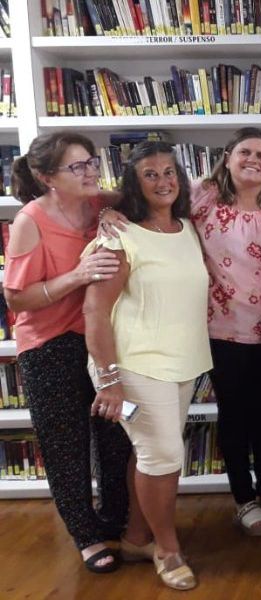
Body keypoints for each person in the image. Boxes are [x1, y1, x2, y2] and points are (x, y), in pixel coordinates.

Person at [84, 141, 212, 589]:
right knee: (164, 456)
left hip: (182, 364)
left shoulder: (187, 228)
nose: (163, 181)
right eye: (150, 174)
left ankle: (137, 536)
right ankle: (167, 549)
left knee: (153, 453)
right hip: (134, 369)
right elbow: (95, 311)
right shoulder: (118, 235)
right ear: (134, 185)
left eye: (168, 171)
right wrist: (109, 381)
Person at [4, 133, 131, 573]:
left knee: (115, 438)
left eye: (92, 162)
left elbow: (141, 195)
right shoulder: (30, 220)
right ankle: (87, 535)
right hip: (48, 345)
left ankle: (115, 520)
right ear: (46, 177)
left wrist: (118, 208)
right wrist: (77, 276)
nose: (91, 171)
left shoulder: (100, 202)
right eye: (77, 167)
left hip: (102, 337)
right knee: (66, 445)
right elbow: (17, 299)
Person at [191, 128, 261, 535]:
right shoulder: (201, 196)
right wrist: (108, 211)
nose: (253, 160)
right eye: (245, 152)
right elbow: (146, 197)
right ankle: (243, 499)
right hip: (222, 330)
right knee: (233, 416)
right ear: (228, 156)